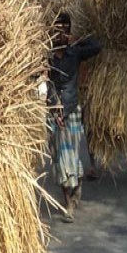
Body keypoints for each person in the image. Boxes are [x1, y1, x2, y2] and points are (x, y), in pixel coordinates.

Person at [47, 12, 101, 223]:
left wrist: (77, 37)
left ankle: (76, 184)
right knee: (58, 159)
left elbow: (97, 47)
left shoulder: (75, 52)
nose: (59, 34)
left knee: (71, 157)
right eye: (57, 29)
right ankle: (67, 202)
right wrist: (54, 108)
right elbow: (48, 84)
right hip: (54, 112)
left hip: (72, 111)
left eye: (64, 29)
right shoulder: (48, 56)